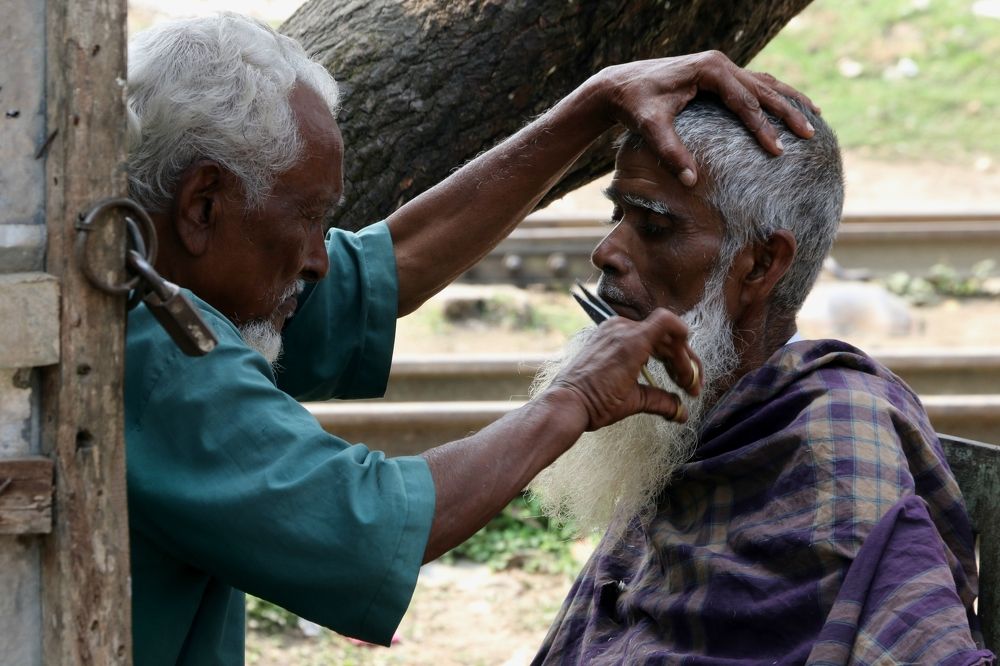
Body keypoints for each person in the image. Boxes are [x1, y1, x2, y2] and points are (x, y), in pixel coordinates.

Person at [122, 13, 821, 665]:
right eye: (307, 219)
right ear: (203, 205)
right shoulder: (153, 350)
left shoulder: (154, 260)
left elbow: (380, 273)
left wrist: (593, 105)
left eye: (656, 224)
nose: (318, 258)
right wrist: (572, 400)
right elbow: (364, 528)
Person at [528, 97, 996, 664]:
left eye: (652, 226)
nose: (606, 253)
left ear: (759, 265)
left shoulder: (837, 436)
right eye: (616, 218)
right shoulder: (682, 413)